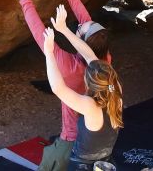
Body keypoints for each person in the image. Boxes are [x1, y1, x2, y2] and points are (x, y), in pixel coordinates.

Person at [16, 0, 111, 171]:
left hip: (73, 142)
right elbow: (87, 23)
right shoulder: (104, 60)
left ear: (82, 40)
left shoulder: (69, 67)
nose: (83, 23)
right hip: (101, 139)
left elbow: (38, 32)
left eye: (82, 29)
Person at [42, 27, 123, 171]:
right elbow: (89, 55)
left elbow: (57, 88)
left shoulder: (91, 106)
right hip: (106, 160)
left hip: (83, 166)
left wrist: (49, 53)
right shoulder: (115, 89)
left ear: (88, 83)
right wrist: (63, 29)